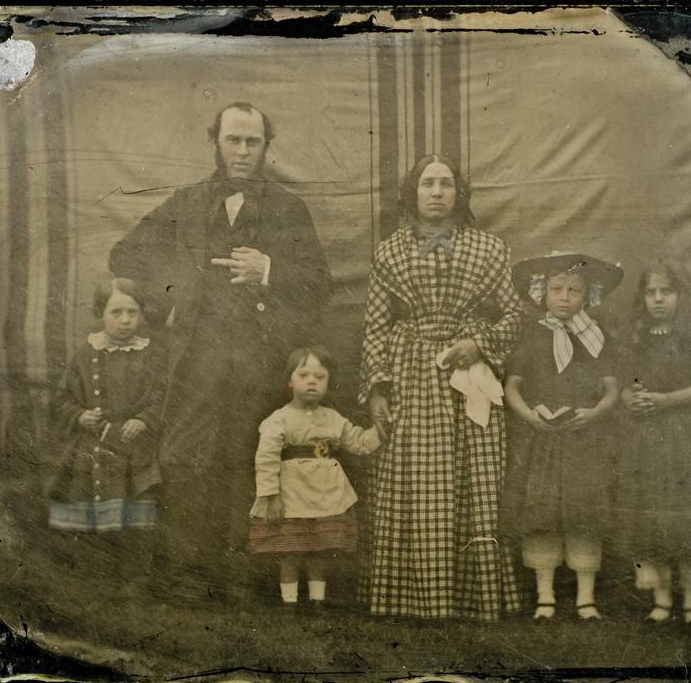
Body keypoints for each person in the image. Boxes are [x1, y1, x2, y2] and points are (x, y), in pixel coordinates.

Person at [109, 102, 331, 598]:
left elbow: (319, 285)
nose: (243, 152)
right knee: (186, 460)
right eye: (234, 140)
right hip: (197, 358)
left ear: (266, 147)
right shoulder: (186, 203)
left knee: (253, 461)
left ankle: (244, 579)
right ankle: (188, 574)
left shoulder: (288, 208)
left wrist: (268, 270)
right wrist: (170, 298)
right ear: (215, 142)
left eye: (253, 142)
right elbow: (124, 254)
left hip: (261, 358)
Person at [359, 153, 524, 621]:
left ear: (459, 193)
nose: (436, 193)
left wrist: (480, 343)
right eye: (427, 184)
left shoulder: (490, 249)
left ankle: (472, 597)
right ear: (412, 194)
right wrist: (377, 388)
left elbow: (517, 314)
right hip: (409, 371)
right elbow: (375, 326)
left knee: (474, 476)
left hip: (468, 375)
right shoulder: (389, 252)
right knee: (415, 479)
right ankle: (411, 598)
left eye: (446, 184)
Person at [502, 251, 623, 621]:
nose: (565, 297)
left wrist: (593, 414)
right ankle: (545, 596)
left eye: (574, 290)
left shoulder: (597, 338)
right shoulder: (533, 337)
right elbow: (512, 387)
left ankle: (585, 598)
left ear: (588, 295)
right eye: (557, 289)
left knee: (584, 514)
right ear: (543, 292)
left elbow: (612, 390)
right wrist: (530, 415)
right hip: (542, 439)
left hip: (585, 440)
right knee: (542, 514)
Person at [615, 259, 691, 625]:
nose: (659, 299)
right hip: (647, 437)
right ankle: (661, 598)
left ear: (682, 295)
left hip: (689, 435)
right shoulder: (637, 339)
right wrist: (632, 399)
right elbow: (625, 385)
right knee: (652, 512)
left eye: (667, 291)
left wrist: (667, 400)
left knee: (686, 512)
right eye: (651, 292)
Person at [47, 277, 167, 589]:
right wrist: (80, 415)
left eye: (132, 312)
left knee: (136, 514)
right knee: (92, 510)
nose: (125, 320)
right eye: (116, 312)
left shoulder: (150, 354)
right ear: (101, 313)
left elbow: (163, 396)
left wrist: (144, 420)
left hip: (134, 450)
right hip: (93, 449)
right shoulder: (85, 353)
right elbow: (61, 398)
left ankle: (135, 579)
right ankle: (93, 577)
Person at [249, 346, 382, 608]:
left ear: (328, 382)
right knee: (291, 551)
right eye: (304, 375)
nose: (312, 381)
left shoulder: (332, 418)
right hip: (293, 495)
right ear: (290, 381)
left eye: (320, 377)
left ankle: (317, 602)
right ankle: (289, 604)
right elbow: (266, 459)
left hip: (324, 496)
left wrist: (379, 430)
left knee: (319, 549)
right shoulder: (279, 419)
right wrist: (271, 496)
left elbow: (357, 442)